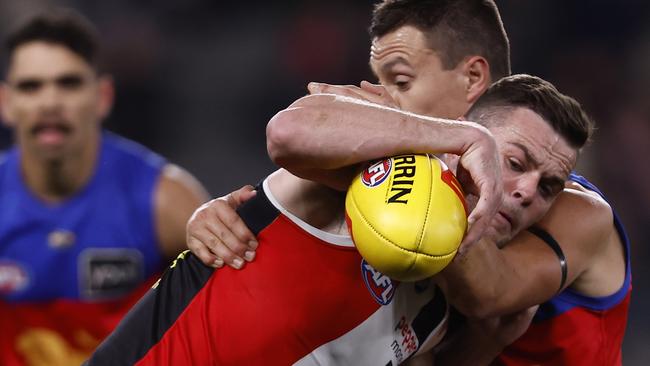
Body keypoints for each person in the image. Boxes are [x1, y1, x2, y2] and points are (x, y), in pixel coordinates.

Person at [187, 0, 630, 364]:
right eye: (380, 82)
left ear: (473, 82)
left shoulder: (578, 212)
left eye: (401, 80)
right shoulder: (411, 201)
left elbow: (492, 294)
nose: (383, 99)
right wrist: (231, 214)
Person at [0, 10, 209, 365]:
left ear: (102, 97)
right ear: (6, 103)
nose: (50, 103)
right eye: (31, 86)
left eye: (68, 83)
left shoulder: (165, 200)